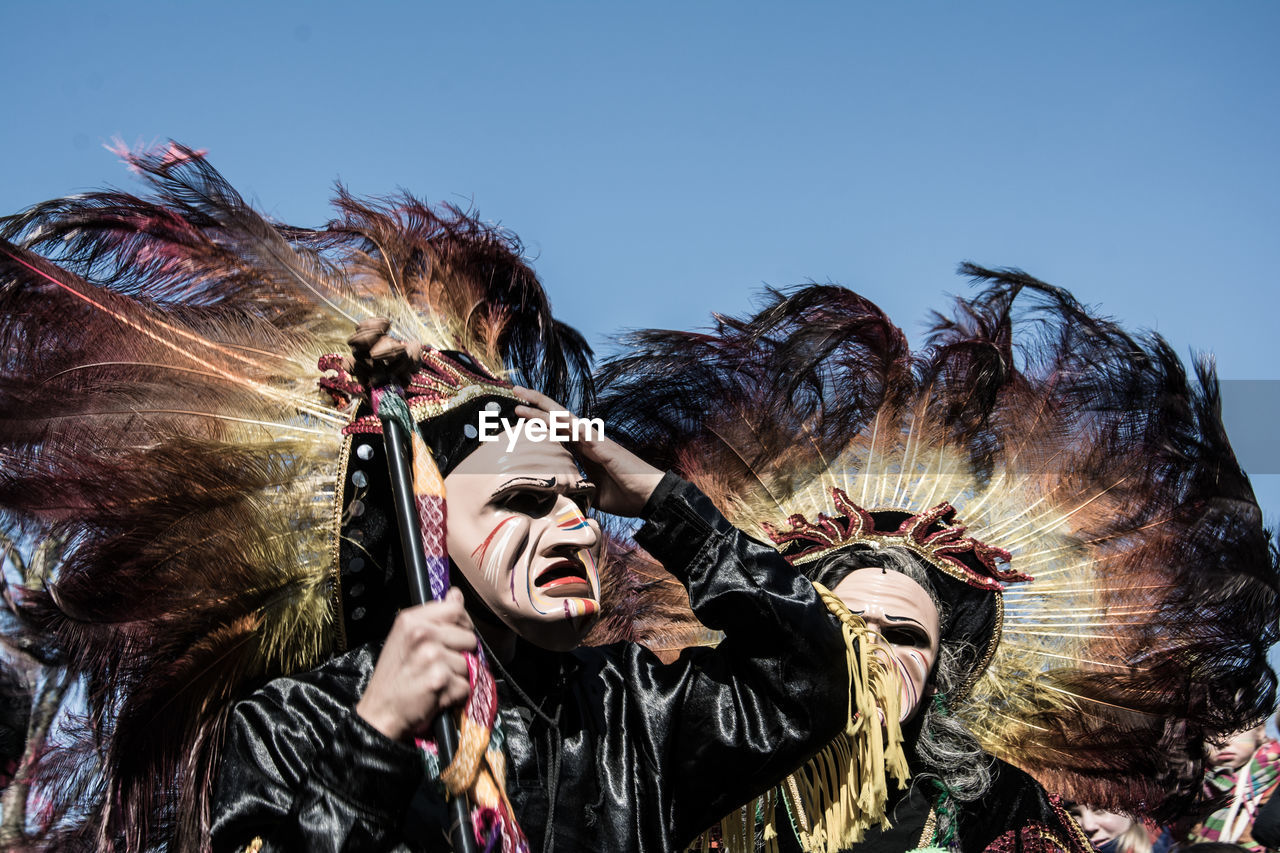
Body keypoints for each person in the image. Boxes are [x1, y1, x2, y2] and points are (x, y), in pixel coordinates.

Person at [0, 144, 885, 852]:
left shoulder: (634, 717)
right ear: (429, 523)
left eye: (584, 499)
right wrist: (374, 741)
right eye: (527, 501)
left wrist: (655, 493)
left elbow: (811, 679)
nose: (578, 522)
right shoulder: (296, 724)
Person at [596, 274, 1280, 852]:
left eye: (902, 633)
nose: (868, 648)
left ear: (944, 665)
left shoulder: (1008, 814)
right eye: (840, 624)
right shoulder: (696, 774)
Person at [1187, 726, 1280, 852]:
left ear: (1259, 732)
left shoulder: (1275, 777)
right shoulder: (1188, 779)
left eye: (1233, 731)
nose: (1222, 741)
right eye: (1212, 732)